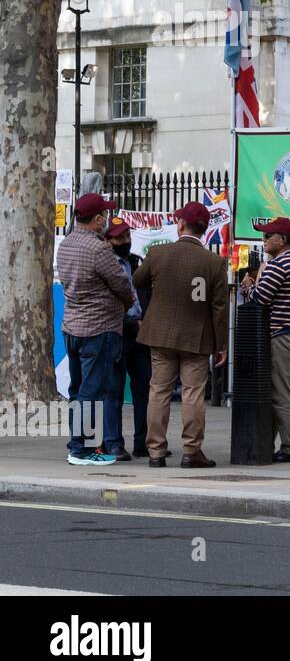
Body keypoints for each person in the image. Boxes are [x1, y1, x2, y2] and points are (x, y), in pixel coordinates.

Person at [134, 201, 229, 468]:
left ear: (180, 225)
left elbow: (136, 280)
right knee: (193, 394)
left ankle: (155, 450)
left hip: (161, 334)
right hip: (196, 338)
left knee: (159, 392)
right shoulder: (214, 262)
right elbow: (219, 307)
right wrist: (220, 344)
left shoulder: (158, 253)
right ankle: (191, 450)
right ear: (204, 230)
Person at [57, 194, 135, 466]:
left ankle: (79, 444)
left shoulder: (66, 244)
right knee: (93, 392)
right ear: (98, 219)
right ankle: (81, 449)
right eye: (105, 215)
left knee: (78, 389)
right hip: (98, 329)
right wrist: (128, 303)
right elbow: (122, 284)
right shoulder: (99, 249)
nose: (106, 219)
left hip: (72, 327)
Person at [245, 217, 290, 463]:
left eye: (267, 236)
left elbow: (259, 300)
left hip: (280, 337)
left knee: (281, 395)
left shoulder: (278, 265)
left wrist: (247, 286)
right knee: (277, 393)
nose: (263, 240)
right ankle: (267, 442)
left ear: (282, 240)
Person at [105, 217, 153, 459]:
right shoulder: (105, 263)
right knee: (113, 390)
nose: (125, 241)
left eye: (127, 236)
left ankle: (143, 441)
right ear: (107, 240)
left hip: (140, 334)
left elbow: (146, 293)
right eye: (119, 237)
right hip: (117, 331)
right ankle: (114, 443)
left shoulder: (135, 262)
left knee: (144, 389)